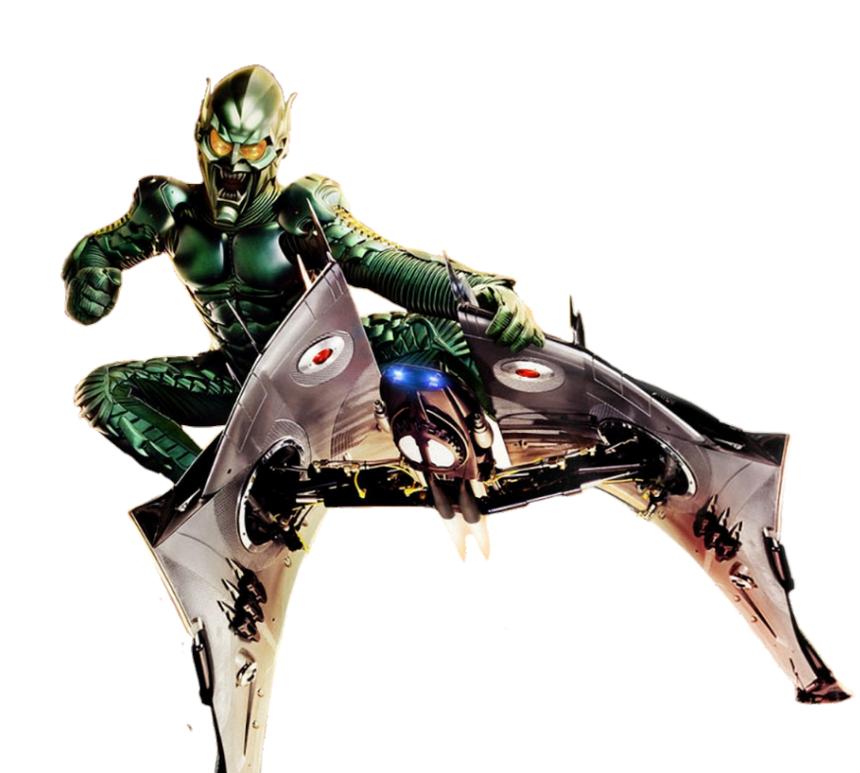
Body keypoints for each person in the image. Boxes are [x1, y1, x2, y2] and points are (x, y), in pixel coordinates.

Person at [63, 64, 544, 482]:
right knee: (103, 391)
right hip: (241, 384)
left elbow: (382, 263)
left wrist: (476, 289)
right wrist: (87, 279)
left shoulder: (299, 209)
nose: (232, 163)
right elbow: (98, 250)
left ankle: (537, 432)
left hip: (332, 368)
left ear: (278, 148)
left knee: (453, 333)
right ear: (200, 134)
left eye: (252, 149)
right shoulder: (170, 210)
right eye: (221, 142)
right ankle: (213, 491)